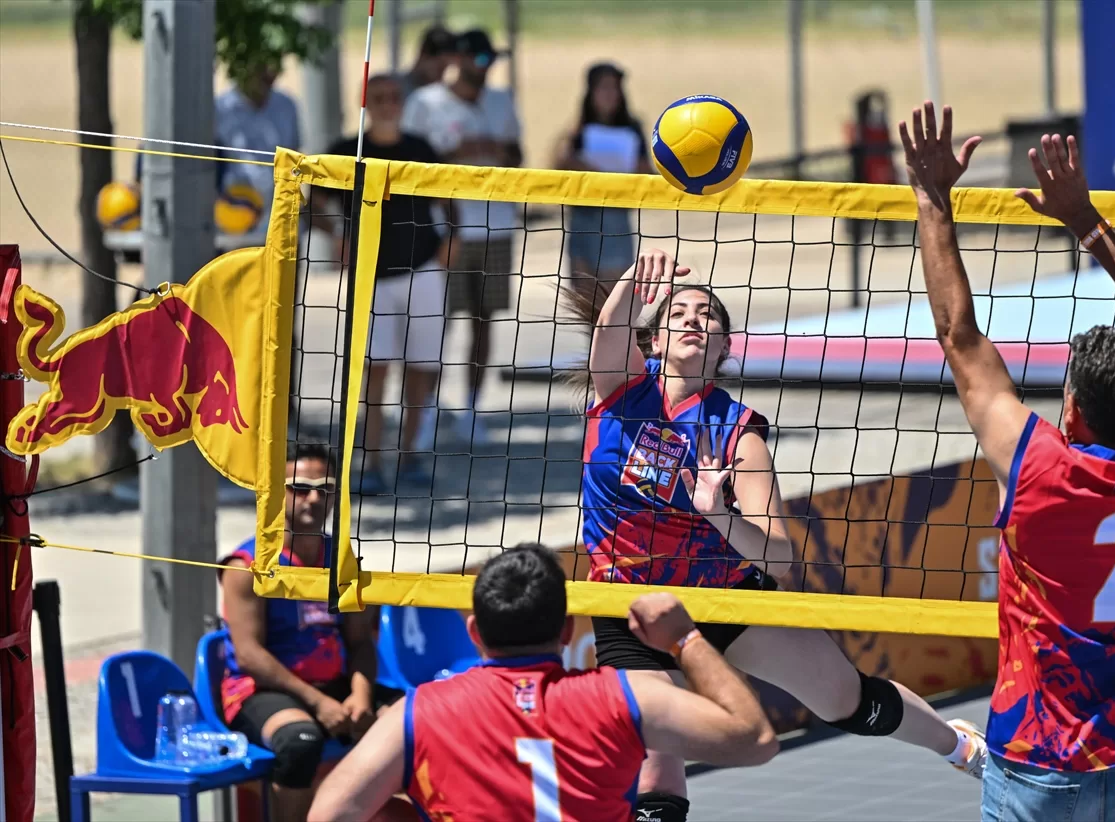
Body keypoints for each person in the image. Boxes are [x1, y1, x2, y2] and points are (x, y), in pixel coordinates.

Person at [562, 249, 986, 822]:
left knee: (845, 701)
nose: (692, 319)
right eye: (679, 312)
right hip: (628, 596)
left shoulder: (739, 433)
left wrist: (717, 513)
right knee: (657, 746)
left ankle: (959, 746)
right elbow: (609, 338)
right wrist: (631, 286)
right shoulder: (622, 390)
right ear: (654, 342)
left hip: (721, 590)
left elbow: (780, 557)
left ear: (724, 348)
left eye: (708, 316)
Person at [897, 101, 1115, 822]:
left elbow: (957, 336)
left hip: (1044, 759)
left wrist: (932, 199)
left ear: (1072, 411)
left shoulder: (1037, 468)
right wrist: (1087, 220)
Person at [307, 543, 779, 822]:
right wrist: (685, 639)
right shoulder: (622, 695)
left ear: (475, 634)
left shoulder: (418, 712)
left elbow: (329, 815)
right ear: (568, 630)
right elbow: (755, 739)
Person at [219, 442, 379, 819]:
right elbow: (250, 656)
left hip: (335, 686)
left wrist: (361, 697)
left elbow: (360, 642)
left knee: (413, 721)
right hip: (261, 691)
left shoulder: (342, 560)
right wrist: (319, 704)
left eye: (324, 489)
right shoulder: (247, 566)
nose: (312, 499)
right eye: (299, 488)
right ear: (276, 493)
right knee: (300, 742)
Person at [313, 74, 452, 492]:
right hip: (370, 278)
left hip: (423, 270)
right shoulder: (346, 152)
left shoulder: (420, 150)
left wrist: (452, 241)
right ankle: (371, 463)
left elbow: (451, 198)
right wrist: (336, 233)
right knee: (374, 372)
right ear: (366, 102)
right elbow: (311, 198)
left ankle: (409, 457)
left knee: (422, 371)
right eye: (380, 97)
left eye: (394, 97)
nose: (388, 104)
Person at [402, 29, 523, 445]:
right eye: (481, 60)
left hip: (497, 225)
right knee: (439, 323)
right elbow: (409, 159)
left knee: (485, 320)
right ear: (461, 59)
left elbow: (519, 156)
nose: (486, 69)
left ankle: (471, 407)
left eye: (492, 61)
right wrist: (455, 154)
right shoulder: (425, 103)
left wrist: (495, 149)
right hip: (445, 228)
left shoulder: (501, 100)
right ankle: (429, 408)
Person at [555, 62, 652, 309]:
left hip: (615, 223)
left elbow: (647, 172)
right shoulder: (577, 130)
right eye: (604, 87)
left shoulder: (633, 128)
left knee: (614, 308)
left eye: (615, 88)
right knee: (587, 306)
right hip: (583, 222)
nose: (611, 94)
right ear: (591, 92)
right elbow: (558, 165)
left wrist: (611, 177)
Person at [215, 59, 302, 229]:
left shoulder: (287, 106)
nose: (269, 71)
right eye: (260, 63)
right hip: (234, 219)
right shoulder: (220, 109)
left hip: (280, 219)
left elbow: (294, 161)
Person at [400, 24, 456, 99]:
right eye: (440, 68)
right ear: (424, 55)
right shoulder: (395, 91)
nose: (442, 75)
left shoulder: (446, 94)